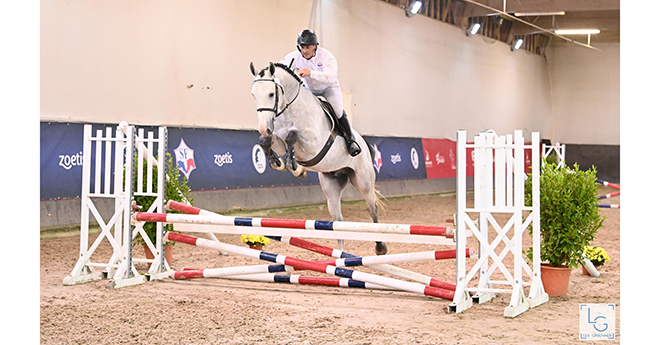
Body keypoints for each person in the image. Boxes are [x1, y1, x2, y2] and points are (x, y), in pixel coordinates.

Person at [280, 29, 361, 157]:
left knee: (338, 110)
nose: (304, 50)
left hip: (328, 88)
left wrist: (310, 73)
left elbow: (331, 77)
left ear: (315, 46)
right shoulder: (293, 57)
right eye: (302, 47)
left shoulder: (327, 56)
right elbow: (280, 68)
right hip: (310, 89)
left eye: (307, 47)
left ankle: (350, 140)